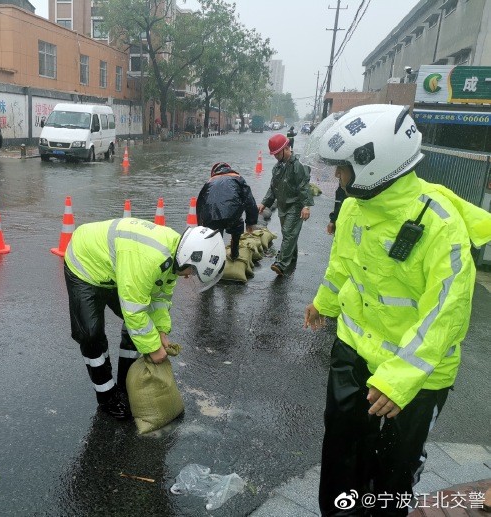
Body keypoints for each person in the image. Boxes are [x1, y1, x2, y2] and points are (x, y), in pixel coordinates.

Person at [303, 104, 491, 516]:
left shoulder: (441, 226)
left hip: (417, 375)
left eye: (342, 169)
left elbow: (447, 314)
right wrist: (325, 301)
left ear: (374, 166)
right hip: (353, 350)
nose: (337, 177)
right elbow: (342, 265)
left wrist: (397, 378)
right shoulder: (355, 206)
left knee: (394, 469)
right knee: (341, 451)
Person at [64, 219, 226, 420]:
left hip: (116, 270)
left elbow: (160, 298)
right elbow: (135, 311)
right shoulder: (148, 260)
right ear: (187, 257)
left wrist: (161, 330)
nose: (188, 277)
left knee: (143, 330)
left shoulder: (173, 255)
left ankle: (125, 386)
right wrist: (153, 348)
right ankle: (107, 397)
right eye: (192, 271)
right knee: (91, 335)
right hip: (86, 265)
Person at [257, 134, 313, 276]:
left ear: (287, 148)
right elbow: (273, 187)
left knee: (288, 233)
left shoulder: (298, 165)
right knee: (289, 234)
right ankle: (292, 261)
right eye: (274, 154)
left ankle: (281, 264)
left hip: (296, 205)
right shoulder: (278, 168)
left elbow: (303, 186)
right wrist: (264, 203)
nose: (275, 156)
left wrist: (306, 206)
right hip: (283, 205)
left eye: (277, 153)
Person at [196, 162, 259, 260]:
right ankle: (234, 255)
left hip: (211, 216)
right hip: (232, 215)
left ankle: (214, 261)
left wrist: (201, 227)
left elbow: (199, 205)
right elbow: (250, 201)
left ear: (214, 172)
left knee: (215, 241)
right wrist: (250, 222)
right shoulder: (238, 178)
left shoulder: (209, 182)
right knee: (237, 224)